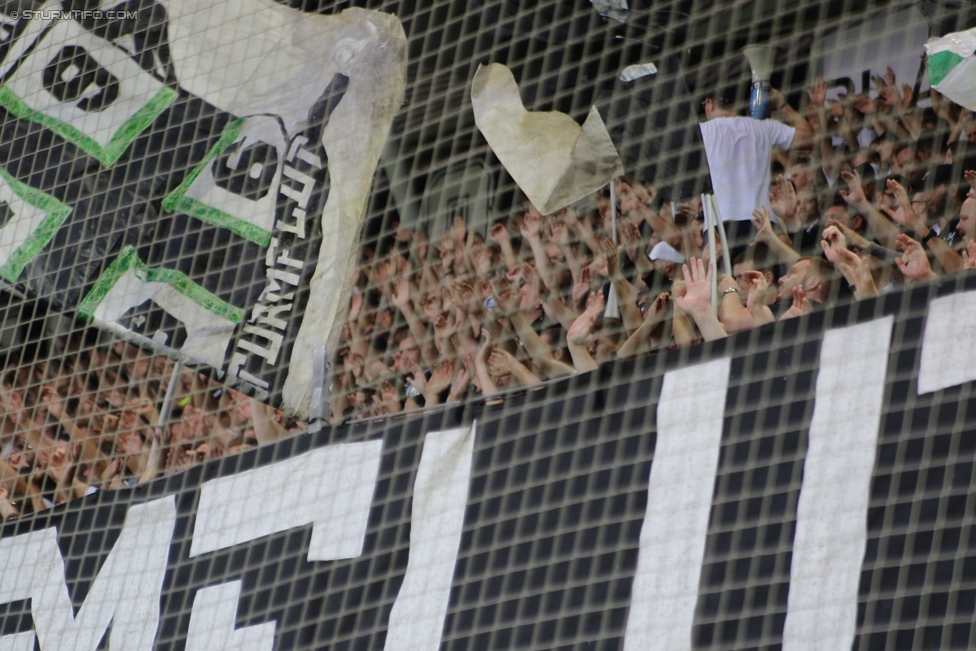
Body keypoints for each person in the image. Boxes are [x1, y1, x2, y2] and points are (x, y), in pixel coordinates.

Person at [699, 81, 814, 256]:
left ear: (710, 104)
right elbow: (809, 139)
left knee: (724, 283)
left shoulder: (700, 132)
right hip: (760, 224)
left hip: (718, 227)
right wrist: (781, 104)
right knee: (764, 282)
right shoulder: (762, 127)